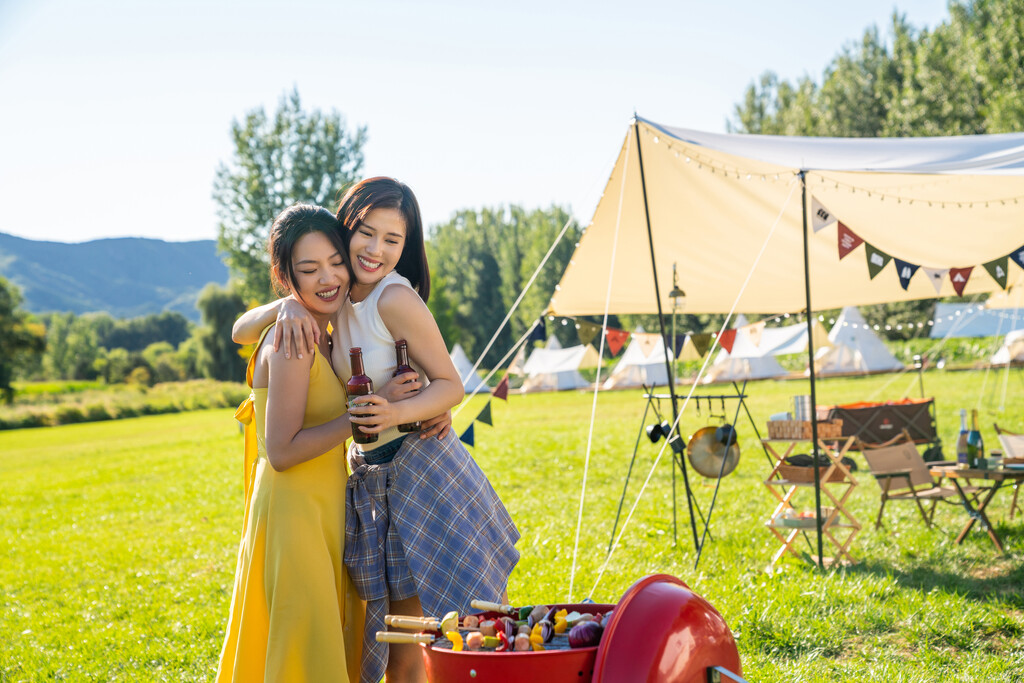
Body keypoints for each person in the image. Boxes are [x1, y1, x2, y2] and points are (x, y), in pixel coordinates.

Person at [233, 177, 520, 683]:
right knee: (388, 635)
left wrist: (395, 412)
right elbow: (240, 330)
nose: (377, 249)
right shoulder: (333, 302)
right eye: (366, 233)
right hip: (370, 481)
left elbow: (450, 385)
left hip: (417, 471)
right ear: (346, 228)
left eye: (394, 240)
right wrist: (287, 304)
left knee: (426, 633)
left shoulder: (393, 298)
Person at [217, 204, 389, 682]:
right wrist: (359, 418)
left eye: (336, 261)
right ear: (285, 274)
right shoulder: (291, 340)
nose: (329, 277)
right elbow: (283, 451)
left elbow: (239, 328)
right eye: (309, 269)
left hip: (320, 504)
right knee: (304, 645)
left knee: (314, 636)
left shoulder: (320, 328)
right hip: (296, 511)